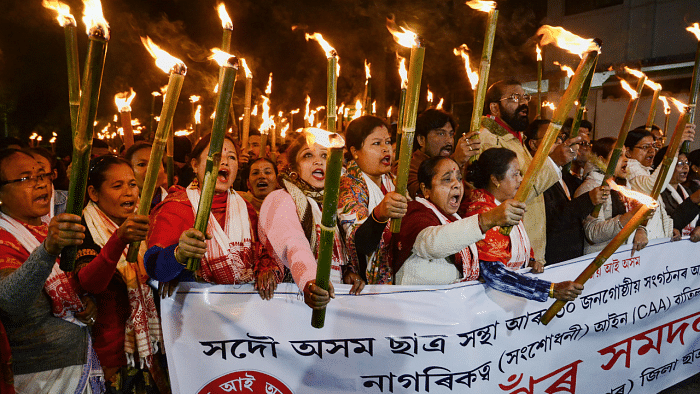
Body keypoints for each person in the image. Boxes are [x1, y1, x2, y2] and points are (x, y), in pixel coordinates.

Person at [0, 148, 103, 393]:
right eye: (25, 178)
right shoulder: (5, 237)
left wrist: (87, 302)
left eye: (42, 175)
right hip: (39, 375)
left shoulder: (53, 224)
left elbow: (74, 282)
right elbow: (10, 301)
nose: (40, 184)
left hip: (78, 362)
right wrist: (47, 249)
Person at [144, 133, 282, 300]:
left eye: (231, 157)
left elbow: (264, 251)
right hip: (196, 313)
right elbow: (155, 267)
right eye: (216, 156)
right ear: (195, 165)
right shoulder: (176, 207)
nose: (224, 162)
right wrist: (178, 256)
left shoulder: (246, 209)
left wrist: (266, 268)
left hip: (244, 313)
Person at [75, 155, 167, 393]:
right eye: (117, 186)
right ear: (94, 193)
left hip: (148, 348)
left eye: (132, 184)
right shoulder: (83, 229)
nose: (128, 192)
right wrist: (118, 241)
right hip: (107, 352)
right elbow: (90, 283)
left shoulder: (147, 220)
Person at [477, 79, 579, 266]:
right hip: (508, 252)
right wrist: (554, 161)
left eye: (525, 97)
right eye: (515, 98)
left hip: (530, 251)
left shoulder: (515, 139)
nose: (524, 103)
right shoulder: (489, 140)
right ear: (494, 108)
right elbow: (516, 193)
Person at [461, 148, 583, 301]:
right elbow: (494, 273)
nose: (520, 179)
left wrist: (530, 262)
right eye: (515, 174)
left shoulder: (508, 205)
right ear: (496, 180)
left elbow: (512, 250)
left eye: (519, 173)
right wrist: (550, 289)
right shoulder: (483, 212)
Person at [259, 129, 359, 309]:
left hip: (333, 302)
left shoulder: (333, 205)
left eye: (324, 155)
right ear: (294, 169)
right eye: (307, 155)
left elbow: (337, 254)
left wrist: (348, 272)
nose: (318, 160)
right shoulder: (281, 198)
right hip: (297, 301)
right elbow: (294, 243)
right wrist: (310, 281)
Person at [393, 155, 524, 285]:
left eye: (459, 178)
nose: (457, 184)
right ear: (425, 189)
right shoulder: (415, 212)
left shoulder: (454, 217)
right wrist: (488, 219)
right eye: (447, 179)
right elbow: (431, 244)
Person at [524, 120, 607, 264]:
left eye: (560, 139)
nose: (558, 144)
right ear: (532, 144)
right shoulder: (533, 178)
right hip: (550, 259)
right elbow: (554, 220)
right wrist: (588, 200)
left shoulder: (563, 174)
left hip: (569, 256)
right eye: (551, 139)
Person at [338, 116, 407, 285]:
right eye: (377, 143)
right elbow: (360, 244)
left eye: (388, 142)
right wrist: (379, 215)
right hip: (366, 289)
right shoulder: (348, 185)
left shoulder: (394, 181)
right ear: (355, 152)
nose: (386, 149)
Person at [574, 138, 648, 254]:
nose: (626, 160)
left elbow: (632, 217)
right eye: (618, 155)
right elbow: (593, 233)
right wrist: (630, 217)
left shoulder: (623, 186)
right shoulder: (590, 188)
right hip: (599, 261)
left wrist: (640, 229)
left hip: (623, 259)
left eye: (625, 155)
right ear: (601, 160)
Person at [624, 125, 695, 240]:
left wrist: (668, 228)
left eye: (653, 146)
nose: (651, 151)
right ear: (628, 151)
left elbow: (659, 209)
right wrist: (675, 146)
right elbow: (653, 186)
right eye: (645, 147)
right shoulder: (630, 169)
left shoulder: (645, 170)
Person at [405, 109, 480, 198]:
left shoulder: (457, 161)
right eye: (441, 134)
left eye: (451, 134)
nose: (449, 141)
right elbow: (422, 196)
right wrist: (456, 161)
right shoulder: (407, 167)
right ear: (421, 140)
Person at [654, 148, 700, 241]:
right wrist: (693, 200)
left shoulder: (688, 190)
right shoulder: (658, 193)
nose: (686, 167)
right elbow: (669, 223)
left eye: (687, 163)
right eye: (680, 163)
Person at [124, 142, 168, 211]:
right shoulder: (120, 207)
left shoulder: (176, 203)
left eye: (156, 163)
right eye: (141, 164)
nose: (151, 170)